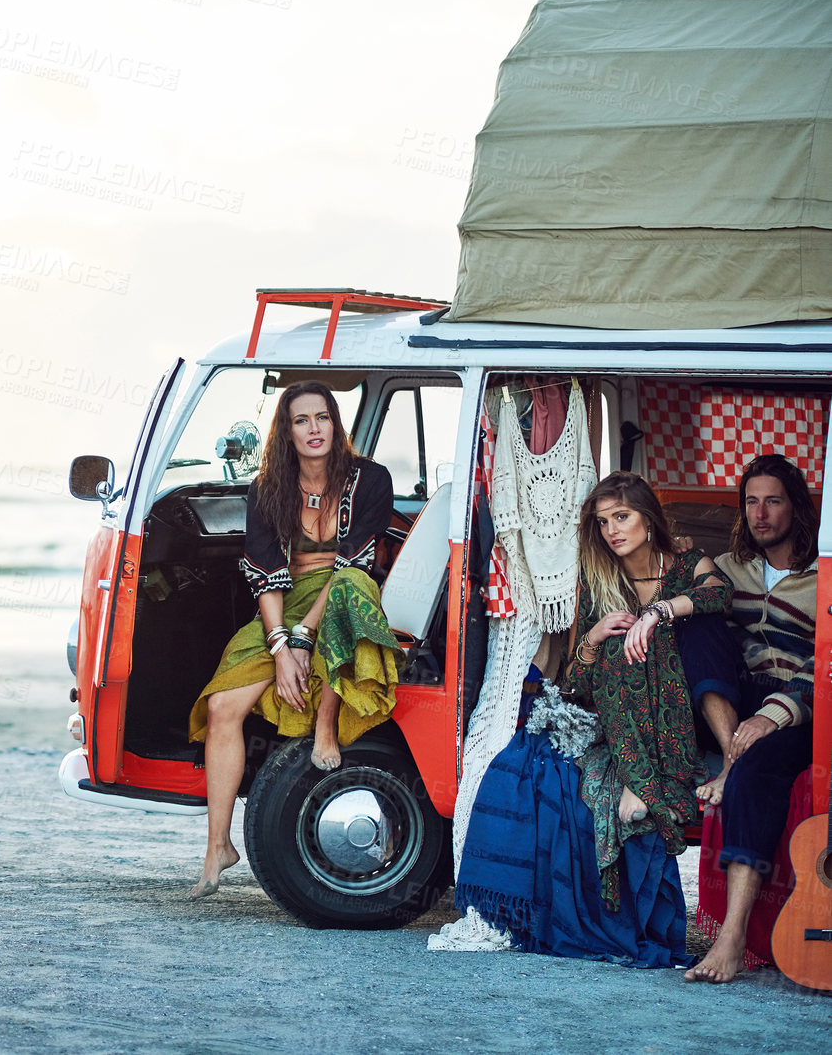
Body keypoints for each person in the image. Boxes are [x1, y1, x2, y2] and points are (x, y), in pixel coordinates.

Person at [456, 472, 728, 965]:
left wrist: (658, 613)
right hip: (621, 719)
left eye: (621, 517)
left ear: (648, 517)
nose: (612, 531)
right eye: (603, 522)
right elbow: (577, 684)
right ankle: (638, 782)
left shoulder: (688, 564)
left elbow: (718, 596)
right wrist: (593, 638)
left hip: (678, 712)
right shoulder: (600, 577)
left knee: (649, 648)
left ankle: (641, 783)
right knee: (613, 657)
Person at [185, 381, 402, 899]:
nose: (313, 429)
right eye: (301, 420)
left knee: (349, 589)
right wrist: (281, 646)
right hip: (286, 598)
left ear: (335, 424)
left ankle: (326, 724)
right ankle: (218, 844)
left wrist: (305, 637)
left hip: (347, 592)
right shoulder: (268, 487)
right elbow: (264, 573)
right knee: (221, 706)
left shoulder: (369, 479)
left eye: (322, 418)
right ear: (287, 430)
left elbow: (355, 562)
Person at [684, 454, 819, 984]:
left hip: (797, 709)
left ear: (797, 508)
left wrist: (773, 716)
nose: (760, 513)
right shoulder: (725, 569)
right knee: (696, 622)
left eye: (774, 501)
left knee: (758, 771)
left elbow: (824, 662)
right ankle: (728, 756)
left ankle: (732, 936)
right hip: (727, 702)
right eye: (751, 502)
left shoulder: (824, 575)